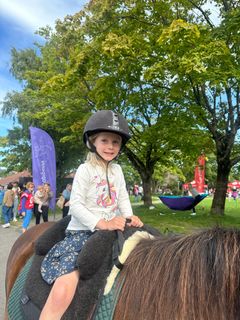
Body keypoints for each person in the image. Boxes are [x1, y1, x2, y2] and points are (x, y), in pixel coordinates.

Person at [39, 110, 143, 320]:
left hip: (112, 230)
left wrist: (130, 216)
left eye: (116, 142)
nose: (111, 146)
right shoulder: (85, 170)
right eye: (105, 140)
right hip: (82, 232)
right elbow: (75, 205)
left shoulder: (118, 171)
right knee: (65, 284)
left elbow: (122, 196)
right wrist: (101, 223)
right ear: (92, 142)